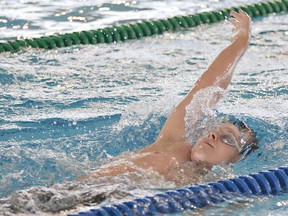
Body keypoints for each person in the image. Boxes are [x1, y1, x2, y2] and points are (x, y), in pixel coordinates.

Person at [77, 10, 259, 185]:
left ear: (237, 158)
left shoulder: (210, 187)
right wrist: (241, 41)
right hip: (68, 195)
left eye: (227, 138)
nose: (212, 134)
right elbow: (210, 87)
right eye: (214, 130)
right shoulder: (174, 143)